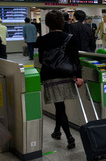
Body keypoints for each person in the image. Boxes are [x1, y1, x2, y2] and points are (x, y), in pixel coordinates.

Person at [34, 10, 84, 150]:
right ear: (62, 22)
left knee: (59, 106)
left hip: (50, 76)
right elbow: (75, 59)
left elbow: (41, 59)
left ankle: (69, 137)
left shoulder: (42, 40)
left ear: (48, 23)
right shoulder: (70, 38)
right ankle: (57, 130)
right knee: (60, 106)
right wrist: (79, 76)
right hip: (66, 75)